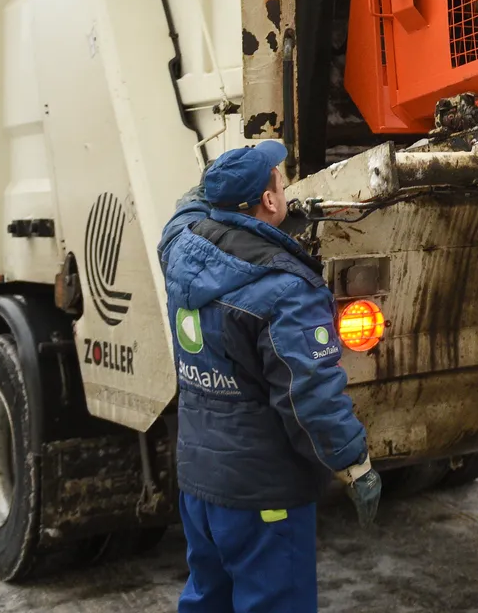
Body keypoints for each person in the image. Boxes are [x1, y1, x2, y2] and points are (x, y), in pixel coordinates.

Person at [160, 141, 383, 613]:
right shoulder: (286, 291)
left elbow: (189, 206)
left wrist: (245, 212)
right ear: (268, 200)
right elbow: (310, 400)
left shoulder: (180, 247)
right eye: (279, 182)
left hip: (201, 485)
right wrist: (355, 465)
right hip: (263, 494)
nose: (284, 186)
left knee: (208, 599)